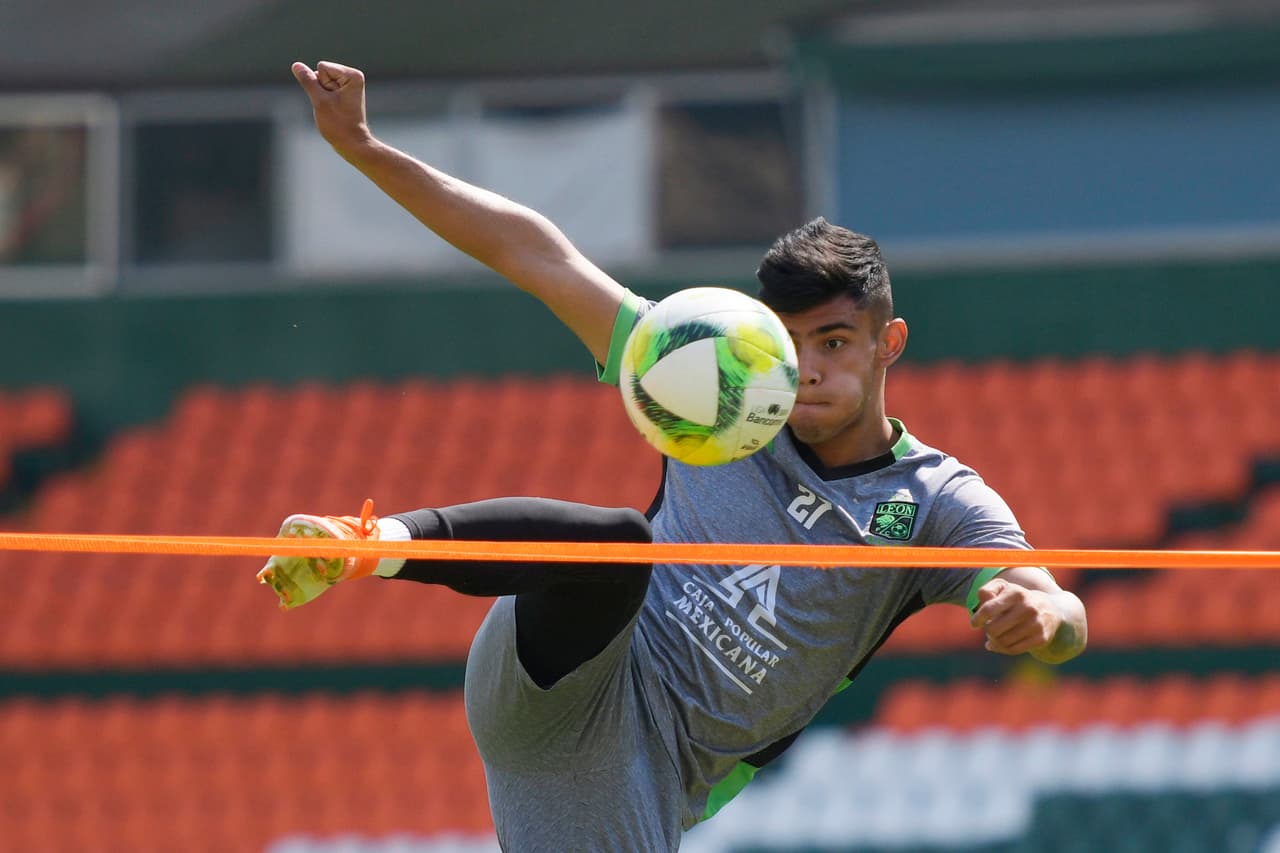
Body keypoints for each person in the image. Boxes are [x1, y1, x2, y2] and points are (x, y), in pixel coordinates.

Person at [261, 60, 1089, 852]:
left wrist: (1044, 620)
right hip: (575, 664)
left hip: (647, 769)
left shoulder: (937, 499)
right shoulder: (711, 374)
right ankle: (371, 544)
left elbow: (1054, 608)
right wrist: (363, 148)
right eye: (790, 341)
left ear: (888, 344)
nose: (806, 368)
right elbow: (535, 254)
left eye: (835, 342)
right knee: (616, 542)